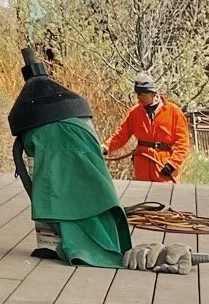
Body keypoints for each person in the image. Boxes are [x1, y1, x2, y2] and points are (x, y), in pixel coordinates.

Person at [10, 47, 135, 268]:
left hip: (73, 144)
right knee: (66, 191)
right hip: (64, 143)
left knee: (85, 192)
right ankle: (62, 241)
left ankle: (75, 241)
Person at [104, 73, 192, 183]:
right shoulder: (135, 112)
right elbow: (121, 134)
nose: (138, 97)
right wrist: (106, 147)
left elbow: (183, 144)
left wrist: (172, 164)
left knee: (166, 198)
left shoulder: (174, 112)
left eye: (141, 94)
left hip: (164, 169)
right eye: (137, 94)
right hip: (142, 169)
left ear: (152, 93)